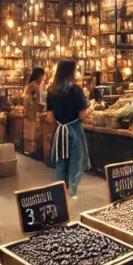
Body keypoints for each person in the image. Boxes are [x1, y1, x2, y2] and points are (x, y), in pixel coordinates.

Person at [47, 59, 89, 199]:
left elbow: (50, 118)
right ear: (71, 71)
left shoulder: (51, 90)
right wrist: (91, 109)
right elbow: (82, 116)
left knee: (61, 161)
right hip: (74, 129)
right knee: (76, 160)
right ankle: (72, 192)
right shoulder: (76, 90)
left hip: (60, 130)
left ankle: (60, 190)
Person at [23, 68, 45, 155]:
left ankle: (29, 149)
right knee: (32, 131)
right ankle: (32, 150)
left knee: (29, 131)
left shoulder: (30, 85)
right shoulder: (34, 86)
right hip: (32, 113)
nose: (42, 79)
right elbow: (29, 100)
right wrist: (37, 106)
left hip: (29, 113)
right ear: (39, 76)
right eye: (42, 77)